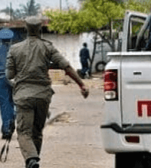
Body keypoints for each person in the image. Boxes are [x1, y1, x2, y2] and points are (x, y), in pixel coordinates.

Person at [6, 16, 89, 168]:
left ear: (25, 29)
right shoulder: (48, 47)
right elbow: (67, 67)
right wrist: (81, 85)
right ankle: (33, 161)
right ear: (40, 30)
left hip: (23, 96)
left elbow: (9, 75)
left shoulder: (15, 49)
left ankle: (31, 159)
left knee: (24, 132)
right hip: (43, 96)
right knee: (37, 132)